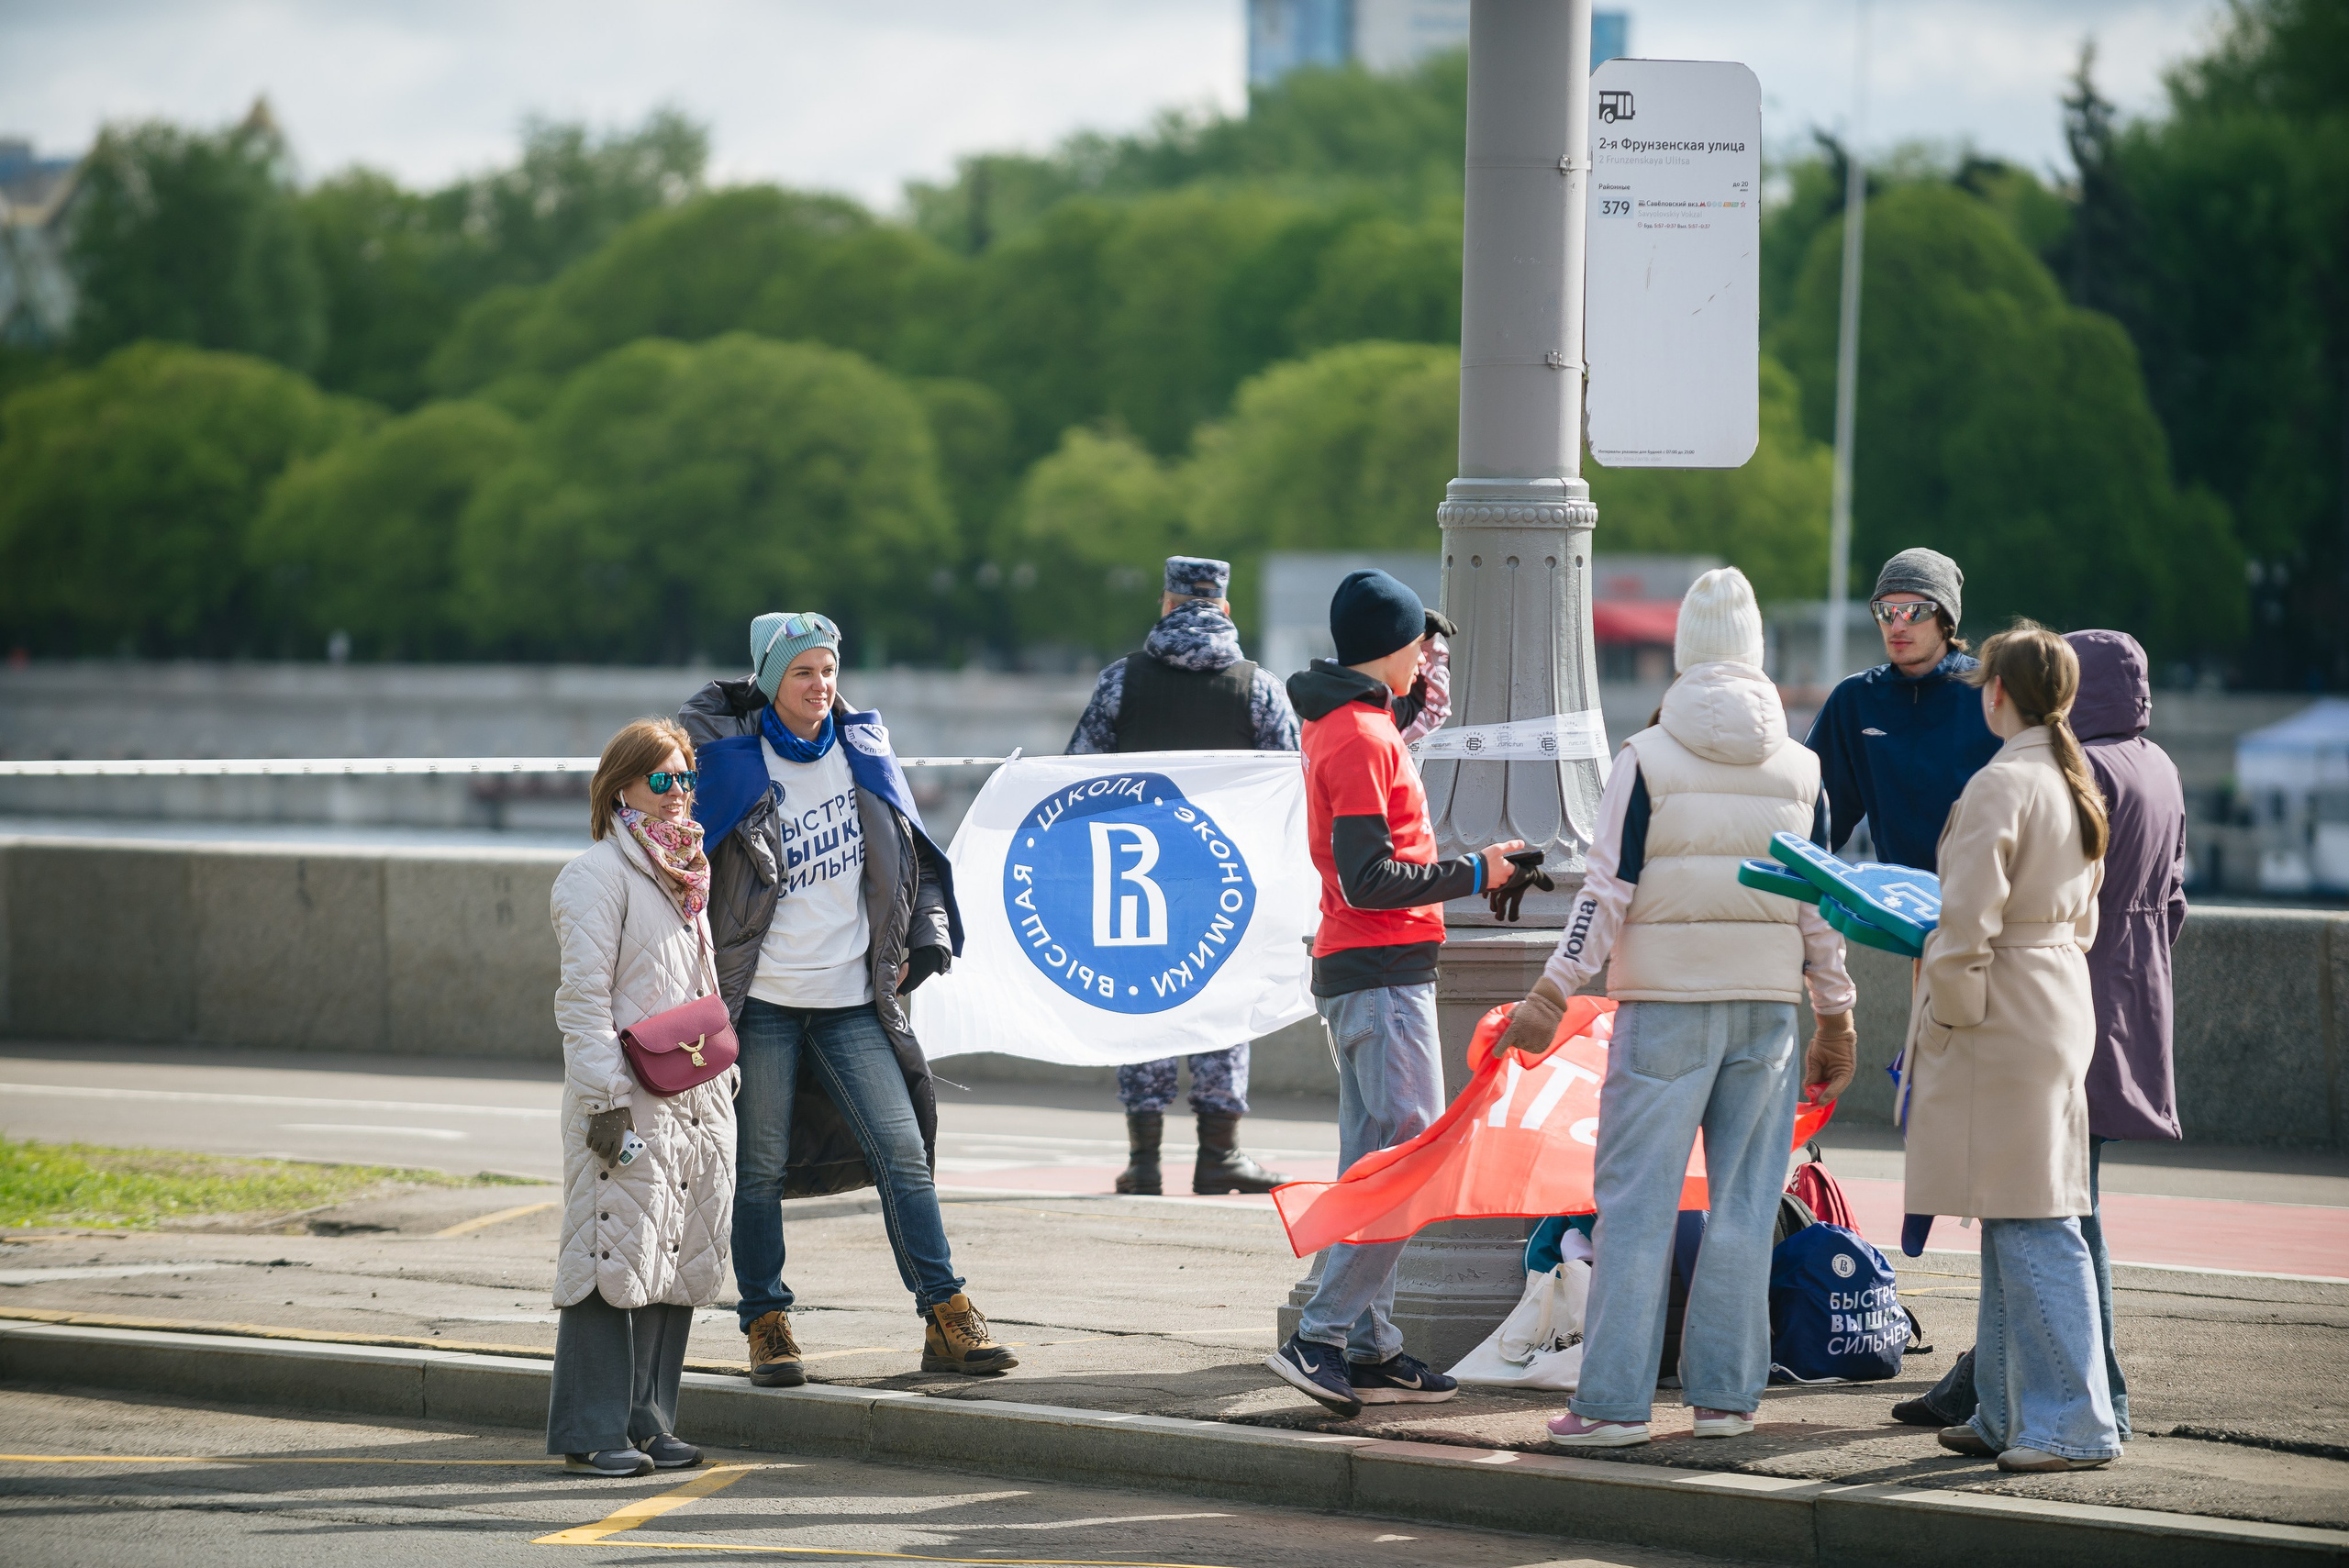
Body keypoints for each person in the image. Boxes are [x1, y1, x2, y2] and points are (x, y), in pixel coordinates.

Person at [1491, 569, 1859, 1450]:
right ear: (1759, 649)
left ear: (1685, 648)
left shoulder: (1645, 759)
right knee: (1743, 1204)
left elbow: (1604, 892)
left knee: (1636, 1204)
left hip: (1663, 1009)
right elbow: (1823, 906)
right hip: (1767, 1014)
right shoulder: (1802, 769)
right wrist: (1836, 1016)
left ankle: (1613, 1405)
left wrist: (1553, 988)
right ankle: (1726, 1400)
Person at [679, 612, 1014, 1386]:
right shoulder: (728, 760)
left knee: (904, 1151)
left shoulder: (864, 751)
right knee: (756, 1166)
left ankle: (946, 1312)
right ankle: (765, 1321)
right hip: (760, 1000)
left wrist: (920, 943)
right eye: (803, 672)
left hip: (851, 1000)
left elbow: (916, 861)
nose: (821, 686)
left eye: (829, 671)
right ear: (769, 679)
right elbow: (679, 866)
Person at [1893, 630, 2187, 1438]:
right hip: (2061, 997)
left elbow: (1964, 922)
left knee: (2032, 1222)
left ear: (1999, 694)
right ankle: (2004, 1407)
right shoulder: (2072, 778)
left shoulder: (2004, 782)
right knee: (2021, 1210)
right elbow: (2094, 909)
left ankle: (2073, 1420)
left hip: (2004, 1012)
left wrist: (1948, 1011)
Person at [1264, 568, 1518, 1418]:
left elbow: (1368, 860)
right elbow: (1374, 879)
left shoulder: (1351, 720)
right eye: (1420, 642)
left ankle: (1369, 1342)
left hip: (1369, 969)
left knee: (1376, 1164)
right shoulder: (1363, 736)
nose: (1430, 657)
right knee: (1413, 1161)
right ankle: (1324, 1332)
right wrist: (1478, 869)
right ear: (1389, 647)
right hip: (1379, 968)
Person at [1066, 556, 1300, 1196]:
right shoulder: (1259, 687)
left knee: (1144, 1005)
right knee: (1224, 1003)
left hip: (1134, 879)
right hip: (1227, 878)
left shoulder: (1121, 682)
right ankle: (1219, 1153)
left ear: (1167, 605)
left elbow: (1075, 776)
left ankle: (1144, 1160)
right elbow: (1292, 783)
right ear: (1223, 609)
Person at [546, 717, 739, 1477]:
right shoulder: (595, 875)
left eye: (687, 778)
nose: (677, 793)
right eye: (662, 779)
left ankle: (650, 1422)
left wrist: (725, 1083)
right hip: (626, 1097)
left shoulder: (684, 870)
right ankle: (592, 1431)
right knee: (607, 1255)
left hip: (691, 1095)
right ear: (619, 785)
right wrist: (603, 1105)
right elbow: (584, 1003)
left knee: (671, 1253)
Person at [1804, 548, 2002, 873]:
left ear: (1945, 620)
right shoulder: (1855, 698)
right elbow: (1816, 814)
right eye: (1885, 611)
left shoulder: (1991, 694)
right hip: (1892, 908)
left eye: (1913, 612)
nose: (1896, 625)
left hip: (1983, 905)